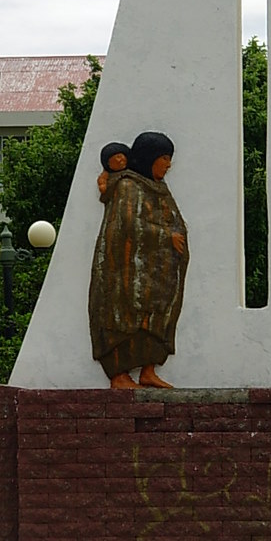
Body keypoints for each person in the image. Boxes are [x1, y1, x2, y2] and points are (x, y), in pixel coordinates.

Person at [89, 131, 189, 389]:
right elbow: (129, 224)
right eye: (164, 158)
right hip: (128, 273)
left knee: (154, 321)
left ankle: (148, 371)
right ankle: (120, 376)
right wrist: (166, 235)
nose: (168, 165)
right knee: (125, 320)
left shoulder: (158, 188)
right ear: (149, 157)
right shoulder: (128, 186)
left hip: (156, 273)